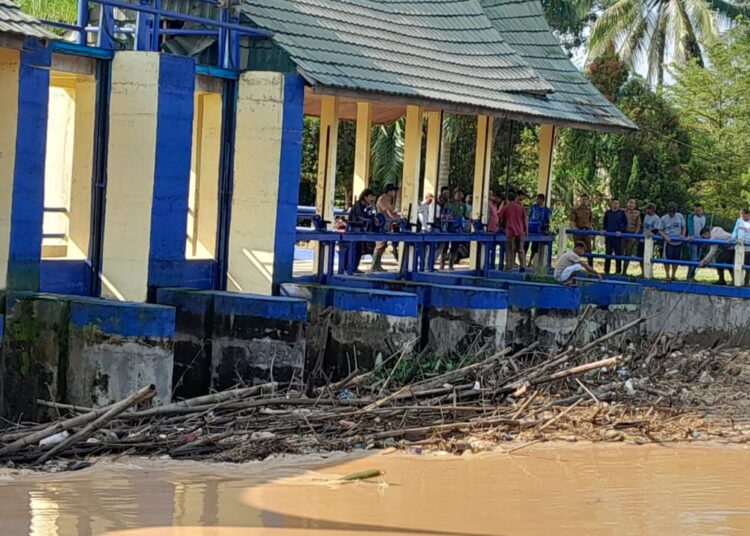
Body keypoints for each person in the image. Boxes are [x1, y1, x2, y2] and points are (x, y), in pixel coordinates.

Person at [371, 183, 400, 272]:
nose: (394, 192)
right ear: (389, 191)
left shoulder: (388, 199)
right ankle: (374, 266)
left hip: (387, 225)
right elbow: (388, 212)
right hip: (381, 225)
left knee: (383, 246)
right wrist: (396, 219)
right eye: (393, 191)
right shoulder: (383, 199)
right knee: (379, 246)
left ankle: (377, 265)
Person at [347, 189, 377, 273]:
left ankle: (355, 268)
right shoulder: (358, 205)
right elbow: (362, 215)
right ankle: (351, 268)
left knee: (359, 250)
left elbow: (371, 214)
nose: (372, 198)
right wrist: (372, 218)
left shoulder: (366, 206)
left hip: (359, 230)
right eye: (370, 196)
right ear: (365, 197)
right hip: (353, 230)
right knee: (355, 249)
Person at [498, 191, 527, 271]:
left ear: (507, 199)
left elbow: (500, 218)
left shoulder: (506, 207)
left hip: (510, 231)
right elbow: (525, 219)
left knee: (510, 249)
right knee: (520, 249)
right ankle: (522, 265)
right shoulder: (521, 207)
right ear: (515, 198)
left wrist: (500, 227)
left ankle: (509, 266)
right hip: (520, 231)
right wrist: (526, 230)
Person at [444, 188, 469, 269]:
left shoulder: (463, 205)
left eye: (460, 194)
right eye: (457, 193)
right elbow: (442, 214)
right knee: (445, 245)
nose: (459, 195)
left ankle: (451, 264)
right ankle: (442, 263)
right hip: (449, 227)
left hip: (458, 228)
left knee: (455, 246)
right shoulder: (448, 204)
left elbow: (466, 217)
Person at [661, 202, 686, 281]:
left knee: (676, 259)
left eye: (673, 211)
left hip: (678, 241)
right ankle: (667, 274)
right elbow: (660, 230)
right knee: (666, 259)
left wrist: (683, 234)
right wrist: (665, 236)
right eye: (670, 211)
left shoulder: (680, 216)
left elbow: (684, 226)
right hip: (669, 241)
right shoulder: (663, 218)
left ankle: (673, 275)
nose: (671, 213)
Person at [602, 198, 628, 275]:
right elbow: (604, 223)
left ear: (619, 205)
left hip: (618, 237)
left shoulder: (621, 213)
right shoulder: (607, 213)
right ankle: (606, 271)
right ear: (611, 204)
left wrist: (621, 231)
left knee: (618, 254)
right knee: (608, 253)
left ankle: (618, 271)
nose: (615, 205)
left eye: (617, 203)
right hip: (609, 236)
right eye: (614, 203)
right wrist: (604, 229)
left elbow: (625, 224)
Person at [527, 193, 552, 267]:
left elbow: (548, 221)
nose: (536, 201)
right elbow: (528, 216)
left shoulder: (546, 210)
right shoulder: (533, 207)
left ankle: (530, 261)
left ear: (542, 200)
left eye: (538, 199)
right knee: (525, 245)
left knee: (534, 248)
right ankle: (523, 260)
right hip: (530, 228)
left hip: (539, 230)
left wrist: (546, 226)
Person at [686, 203, 707, 280]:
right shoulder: (691, 217)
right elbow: (690, 225)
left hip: (700, 240)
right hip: (693, 240)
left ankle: (692, 275)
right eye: (695, 210)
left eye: (698, 210)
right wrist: (691, 234)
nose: (697, 212)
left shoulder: (704, 218)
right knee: (693, 258)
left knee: (697, 258)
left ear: (702, 210)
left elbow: (704, 228)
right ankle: (690, 276)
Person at [622, 198, 642, 275]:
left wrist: (635, 235)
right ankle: (618, 270)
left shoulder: (637, 213)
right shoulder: (622, 211)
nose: (631, 204)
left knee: (628, 253)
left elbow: (638, 225)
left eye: (633, 203)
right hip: (623, 234)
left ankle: (624, 271)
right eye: (630, 202)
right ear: (627, 203)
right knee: (620, 253)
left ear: (635, 205)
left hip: (632, 234)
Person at [731, 209, 750, 285]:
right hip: (739, 246)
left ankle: (746, 282)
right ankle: (735, 281)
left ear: (748, 214)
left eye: (744, 215)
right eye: (741, 215)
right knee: (736, 263)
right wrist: (732, 238)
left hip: (748, 247)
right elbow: (735, 230)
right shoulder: (739, 220)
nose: (742, 217)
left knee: (747, 265)